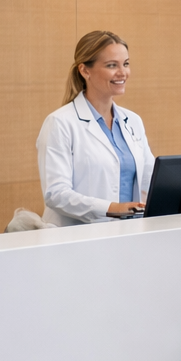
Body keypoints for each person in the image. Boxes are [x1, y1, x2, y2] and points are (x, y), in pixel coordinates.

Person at [36, 31, 156, 226]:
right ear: (85, 71)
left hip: (128, 232)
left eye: (125, 64)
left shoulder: (132, 121)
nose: (122, 72)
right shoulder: (59, 123)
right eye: (111, 65)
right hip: (77, 238)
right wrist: (111, 208)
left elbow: (150, 178)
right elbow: (56, 194)